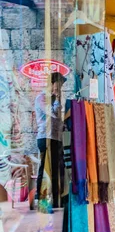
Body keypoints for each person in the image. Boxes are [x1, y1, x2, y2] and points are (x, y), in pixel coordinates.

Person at [34, 72, 66, 208]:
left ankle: (56, 197)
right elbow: (53, 113)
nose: (58, 89)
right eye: (57, 86)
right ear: (51, 83)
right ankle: (40, 197)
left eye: (60, 87)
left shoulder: (54, 98)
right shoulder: (42, 98)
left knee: (57, 168)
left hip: (56, 137)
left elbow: (58, 117)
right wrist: (58, 99)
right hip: (45, 137)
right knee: (46, 168)